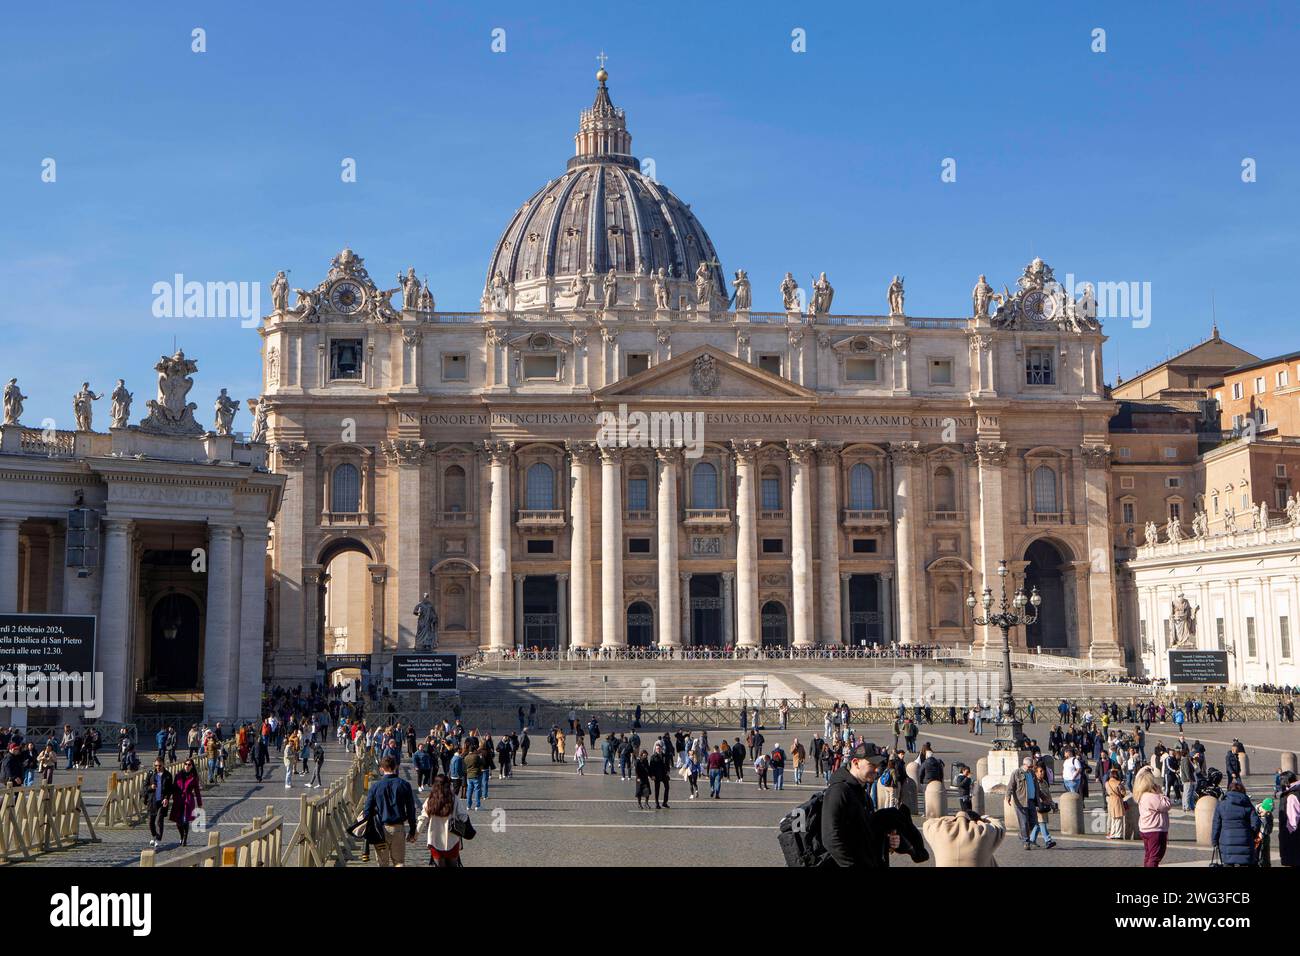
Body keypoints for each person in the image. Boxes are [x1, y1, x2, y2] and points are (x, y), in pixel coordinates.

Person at [820, 744, 900, 867]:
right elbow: (831, 839)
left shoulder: (863, 794)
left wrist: (887, 841)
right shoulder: (838, 791)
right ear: (856, 763)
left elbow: (866, 834)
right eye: (872, 764)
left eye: (878, 765)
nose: (877, 769)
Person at [361, 755, 418, 867]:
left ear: (381, 768)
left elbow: (367, 810)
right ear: (396, 767)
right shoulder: (404, 785)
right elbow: (411, 809)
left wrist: (367, 829)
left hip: (380, 830)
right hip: (398, 828)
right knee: (399, 863)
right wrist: (412, 829)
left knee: (382, 863)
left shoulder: (375, 786)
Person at [417, 774, 470, 867]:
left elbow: (423, 818)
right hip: (452, 839)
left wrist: (416, 834)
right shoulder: (454, 799)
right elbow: (463, 817)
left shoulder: (430, 800)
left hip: (435, 840)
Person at [1212, 781, 1261, 866]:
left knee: (1228, 864)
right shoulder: (1247, 803)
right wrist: (1251, 834)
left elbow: (1216, 825)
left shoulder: (1221, 805)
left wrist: (1214, 840)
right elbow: (1256, 823)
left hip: (1226, 840)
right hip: (1245, 840)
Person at [1134, 766, 1171, 867]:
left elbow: (1137, 779)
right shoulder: (1151, 797)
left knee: (1149, 855)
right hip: (1155, 830)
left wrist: (1142, 769)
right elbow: (1166, 805)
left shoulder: (1141, 795)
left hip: (1146, 829)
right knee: (1155, 856)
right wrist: (1160, 794)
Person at [1006, 756, 1040, 849]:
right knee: (1024, 822)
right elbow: (1010, 786)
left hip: (1032, 800)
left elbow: (1036, 786)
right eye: (1029, 767)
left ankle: (1022, 834)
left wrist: (1041, 798)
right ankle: (1026, 842)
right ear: (1024, 765)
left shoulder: (1032, 773)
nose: (1031, 768)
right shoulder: (1016, 773)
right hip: (1021, 801)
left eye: (1032, 767)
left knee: (1034, 823)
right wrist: (1008, 796)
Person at [170, 758, 203, 847]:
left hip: (188, 800)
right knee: (178, 821)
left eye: (189, 765)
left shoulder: (194, 777)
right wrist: (169, 797)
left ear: (192, 766)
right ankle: (181, 835)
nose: (187, 766)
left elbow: (197, 791)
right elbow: (174, 787)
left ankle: (185, 837)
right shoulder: (178, 775)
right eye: (186, 764)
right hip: (178, 799)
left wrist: (199, 803)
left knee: (185, 820)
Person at [145, 757, 174, 848]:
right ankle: (154, 836)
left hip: (162, 800)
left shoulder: (168, 775)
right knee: (151, 821)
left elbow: (169, 790)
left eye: (159, 765)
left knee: (159, 820)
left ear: (163, 764)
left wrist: (166, 798)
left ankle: (159, 839)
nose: (157, 767)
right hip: (152, 800)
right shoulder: (151, 774)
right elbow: (144, 787)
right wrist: (151, 787)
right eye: (156, 765)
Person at [1029, 763, 1057, 848]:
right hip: (1038, 806)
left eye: (1043, 771)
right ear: (1036, 772)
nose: (1042, 773)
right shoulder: (1034, 782)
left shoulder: (1044, 782)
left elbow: (1048, 794)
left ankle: (1031, 839)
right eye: (1040, 771)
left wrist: (1052, 804)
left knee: (1038, 824)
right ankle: (1048, 840)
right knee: (1042, 823)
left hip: (1045, 806)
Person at [1104, 769, 1127, 839]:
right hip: (1117, 800)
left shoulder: (1107, 783)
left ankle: (1113, 833)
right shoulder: (1118, 783)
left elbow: (1107, 791)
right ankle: (1118, 834)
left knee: (1113, 818)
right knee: (1118, 818)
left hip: (1111, 800)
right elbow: (1123, 793)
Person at [648, 742, 671, 809]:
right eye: (657, 749)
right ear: (655, 749)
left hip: (664, 775)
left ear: (661, 749)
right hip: (657, 775)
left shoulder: (664, 756)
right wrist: (652, 775)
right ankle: (657, 803)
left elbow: (667, 764)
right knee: (657, 789)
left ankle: (665, 802)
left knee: (667, 787)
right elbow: (651, 767)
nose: (658, 750)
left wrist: (668, 771)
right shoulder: (653, 757)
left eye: (659, 748)